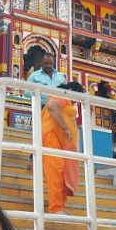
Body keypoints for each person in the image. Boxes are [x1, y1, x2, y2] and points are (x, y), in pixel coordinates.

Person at [42, 81, 84, 215]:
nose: (76, 101)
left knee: (63, 174)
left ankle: (60, 206)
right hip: (52, 139)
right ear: (71, 90)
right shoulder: (63, 95)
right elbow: (52, 106)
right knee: (56, 173)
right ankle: (55, 208)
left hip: (62, 144)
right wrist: (66, 128)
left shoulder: (67, 100)